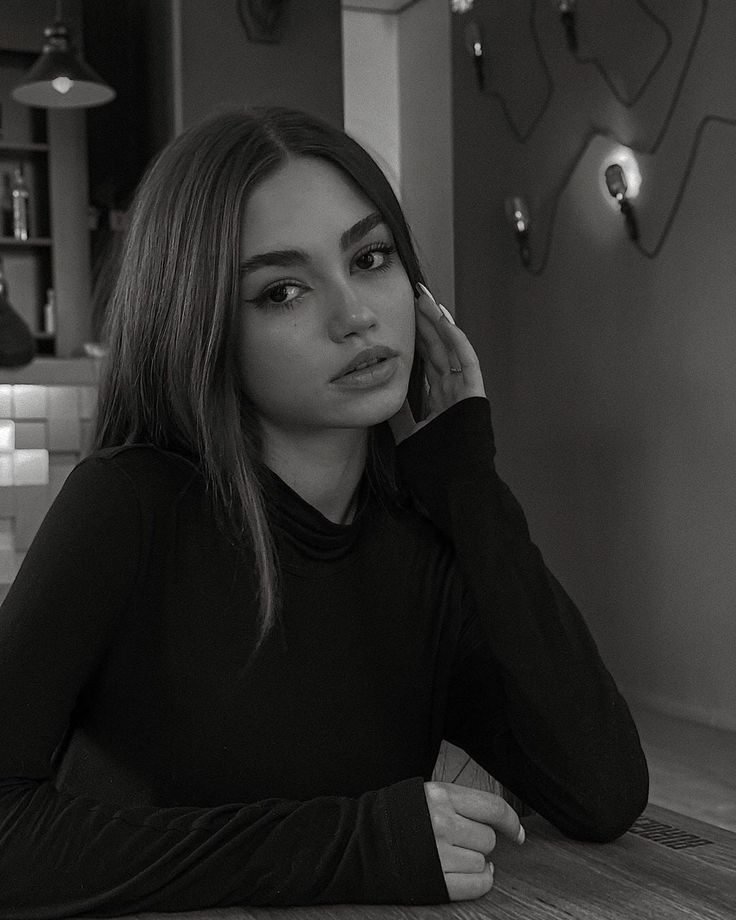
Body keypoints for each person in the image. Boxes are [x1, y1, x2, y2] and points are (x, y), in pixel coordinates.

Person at [0, 106, 648, 917]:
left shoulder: (424, 544)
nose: (356, 315)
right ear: (200, 324)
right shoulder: (128, 507)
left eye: (371, 257)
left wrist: (467, 480)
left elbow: (604, 790)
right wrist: (348, 846)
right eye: (282, 291)